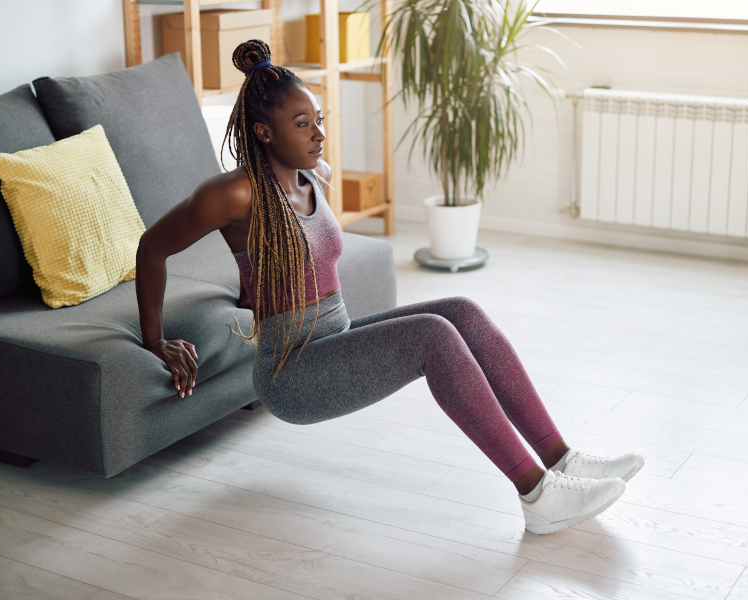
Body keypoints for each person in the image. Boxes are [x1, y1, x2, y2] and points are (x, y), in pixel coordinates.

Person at [135, 40, 645, 535]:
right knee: (432, 336)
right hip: (291, 370)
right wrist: (156, 340)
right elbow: (151, 248)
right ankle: (539, 496)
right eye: (302, 124)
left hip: (335, 334)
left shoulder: (316, 178)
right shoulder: (235, 192)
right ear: (265, 133)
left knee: (461, 311)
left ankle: (562, 458)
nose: (318, 135)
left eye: (319, 121)